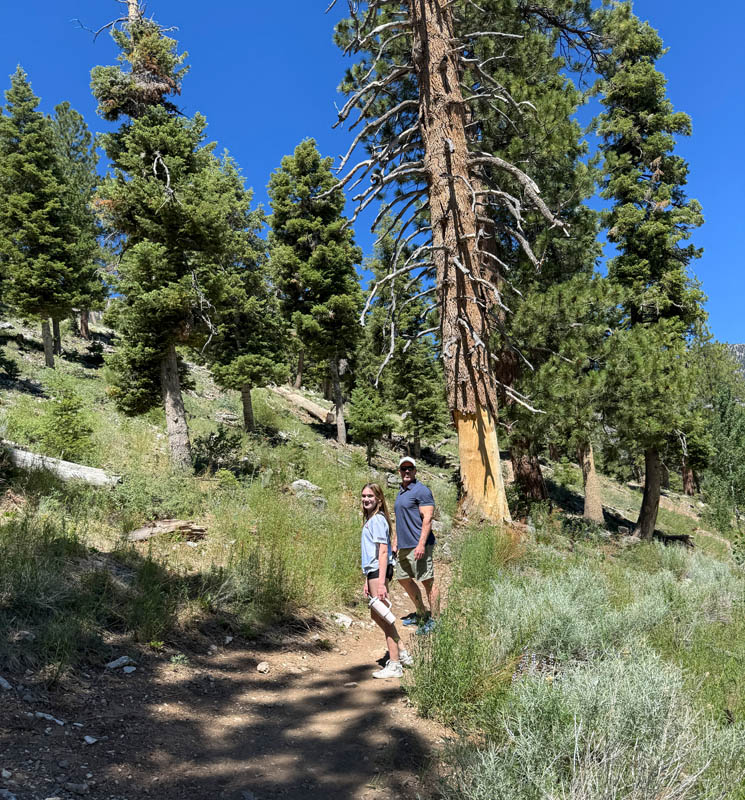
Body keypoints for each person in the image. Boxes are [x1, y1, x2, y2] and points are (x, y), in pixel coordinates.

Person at [360, 483, 413, 679]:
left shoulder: (378, 521)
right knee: (377, 615)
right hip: (372, 572)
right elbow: (372, 553)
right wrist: (368, 579)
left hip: (378, 572)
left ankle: (395, 664)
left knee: (385, 617)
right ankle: (402, 651)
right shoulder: (371, 519)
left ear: (379, 500)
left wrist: (381, 582)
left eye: (370, 496)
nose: (366, 499)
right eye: (364, 496)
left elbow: (383, 551)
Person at [393, 457, 439, 633]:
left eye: (409, 468)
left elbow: (427, 519)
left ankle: (435, 621)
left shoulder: (422, 491)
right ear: (399, 471)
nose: (406, 471)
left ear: (415, 471)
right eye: (403, 468)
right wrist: (395, 542)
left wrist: (421, 545)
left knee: (428, 581)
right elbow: (400, 520)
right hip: (404, 546)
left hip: (419, 545)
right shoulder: (401, 492)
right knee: (403, 578)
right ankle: (421, 613)